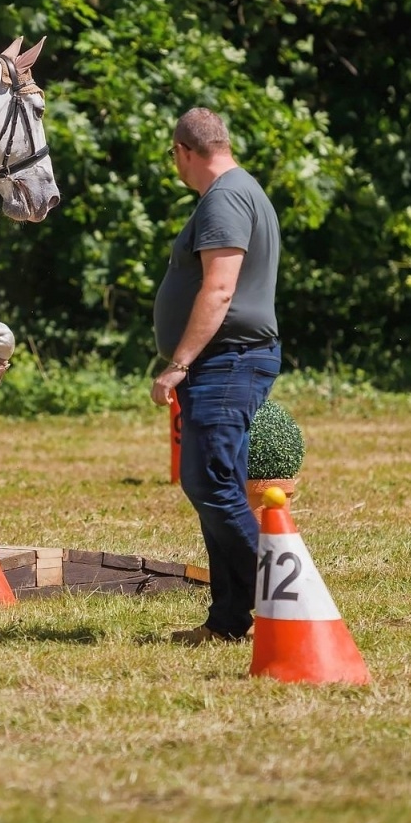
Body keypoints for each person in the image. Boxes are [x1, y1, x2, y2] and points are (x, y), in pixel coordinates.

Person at [149, 108, 282, 644]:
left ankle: (284, 598)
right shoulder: (242, 189)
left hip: (228, 361)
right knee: (215, 484)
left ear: (184, 151)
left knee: (209, 482)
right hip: (229, 360)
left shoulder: (224, 198)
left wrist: (178, 364)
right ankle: (227, 622)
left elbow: (220, 289)